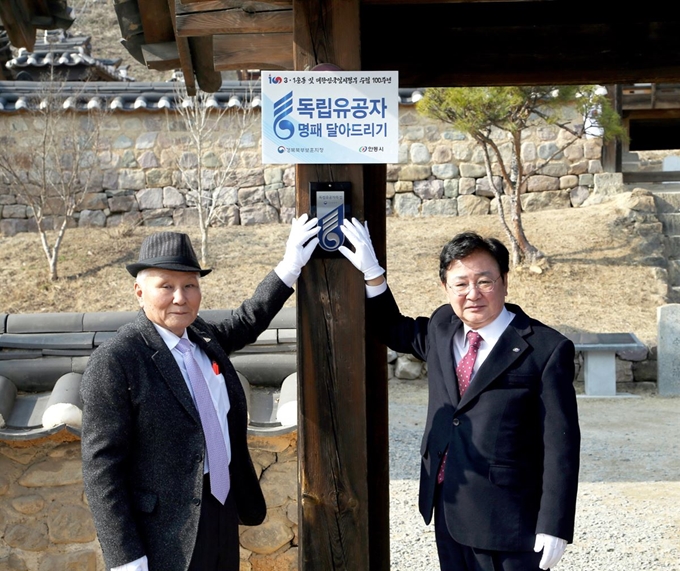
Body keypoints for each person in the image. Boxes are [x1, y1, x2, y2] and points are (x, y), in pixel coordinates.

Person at [339, 219, 580, 571]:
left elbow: (561, 444)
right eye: (461, 284)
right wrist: (373, 273)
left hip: (510, 522)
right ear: (445, 287)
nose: (473, 293)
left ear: (504, 282)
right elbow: (394, 328)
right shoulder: (442, 326)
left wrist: (554, 524)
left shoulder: (546, 349)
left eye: (484, 281)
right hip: (449, 508)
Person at [80, 216, 319, 571]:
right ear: (139, 291)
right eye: (166, 286)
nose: (180, 298)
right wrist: (126, 560)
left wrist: (289, 266)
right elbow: (102, 471)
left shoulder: (201, 337)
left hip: (221, 506)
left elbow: (246, 320)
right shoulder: (118, 361)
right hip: (166, 532)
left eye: (190, 285)